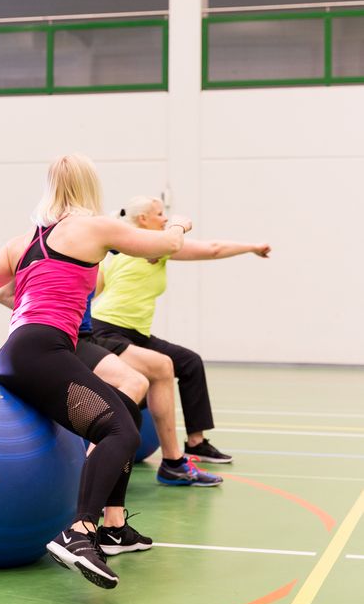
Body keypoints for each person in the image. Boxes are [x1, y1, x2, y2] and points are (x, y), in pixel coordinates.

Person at [0, 155, 191, 590]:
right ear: (88, 187)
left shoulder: (24, 241)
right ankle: (79, 531)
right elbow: (167, 247)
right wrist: (178, 223)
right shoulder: (93, 226)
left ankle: (113, 527)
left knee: (120, 406)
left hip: (16, 354)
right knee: (121, 432)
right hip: (45, 349)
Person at [92, 195, 271, 465]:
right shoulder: (151, 247)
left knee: (189, 363)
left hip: (134, 332)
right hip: (107, 329)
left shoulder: (122, 248)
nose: (165, 219)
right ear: (143, 219)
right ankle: (126, 447)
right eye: (160, 214)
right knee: (152, 373)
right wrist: (252, 247)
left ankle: (196, 443)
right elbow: (213, 248)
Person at [0, 284, 222, 487]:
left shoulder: (95, 257)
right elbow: (3, 295)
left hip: (88, 336)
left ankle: (172, 464)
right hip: (63, 339)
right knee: (133, 382)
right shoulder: (46, 252)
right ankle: (89, 477)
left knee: (162, 366)